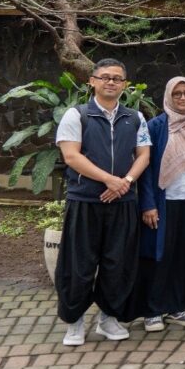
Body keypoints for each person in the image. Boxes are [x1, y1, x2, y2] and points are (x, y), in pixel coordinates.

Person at [55, 58, 151, 346]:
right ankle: (74, 322)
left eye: (117, 78)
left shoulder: (135, 118)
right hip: (85, 200)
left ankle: (108, 318)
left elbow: (143, 155)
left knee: (117, 263)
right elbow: (71, 156)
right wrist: (110, 180)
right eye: (105, 77)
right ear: (92, 81)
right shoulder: (77, 115)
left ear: (125, 84)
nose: (111, 82)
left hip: (122, 202)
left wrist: (125, 183)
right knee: (78, 264)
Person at [136, 77, 185, 332]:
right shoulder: (156, 127)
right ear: (169, 97)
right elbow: (146, 169)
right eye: (177, 94)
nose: (183, 98)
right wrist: (148, 204)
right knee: (160, 255)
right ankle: (152, 310)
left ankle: (178, 306)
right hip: (164, 201)